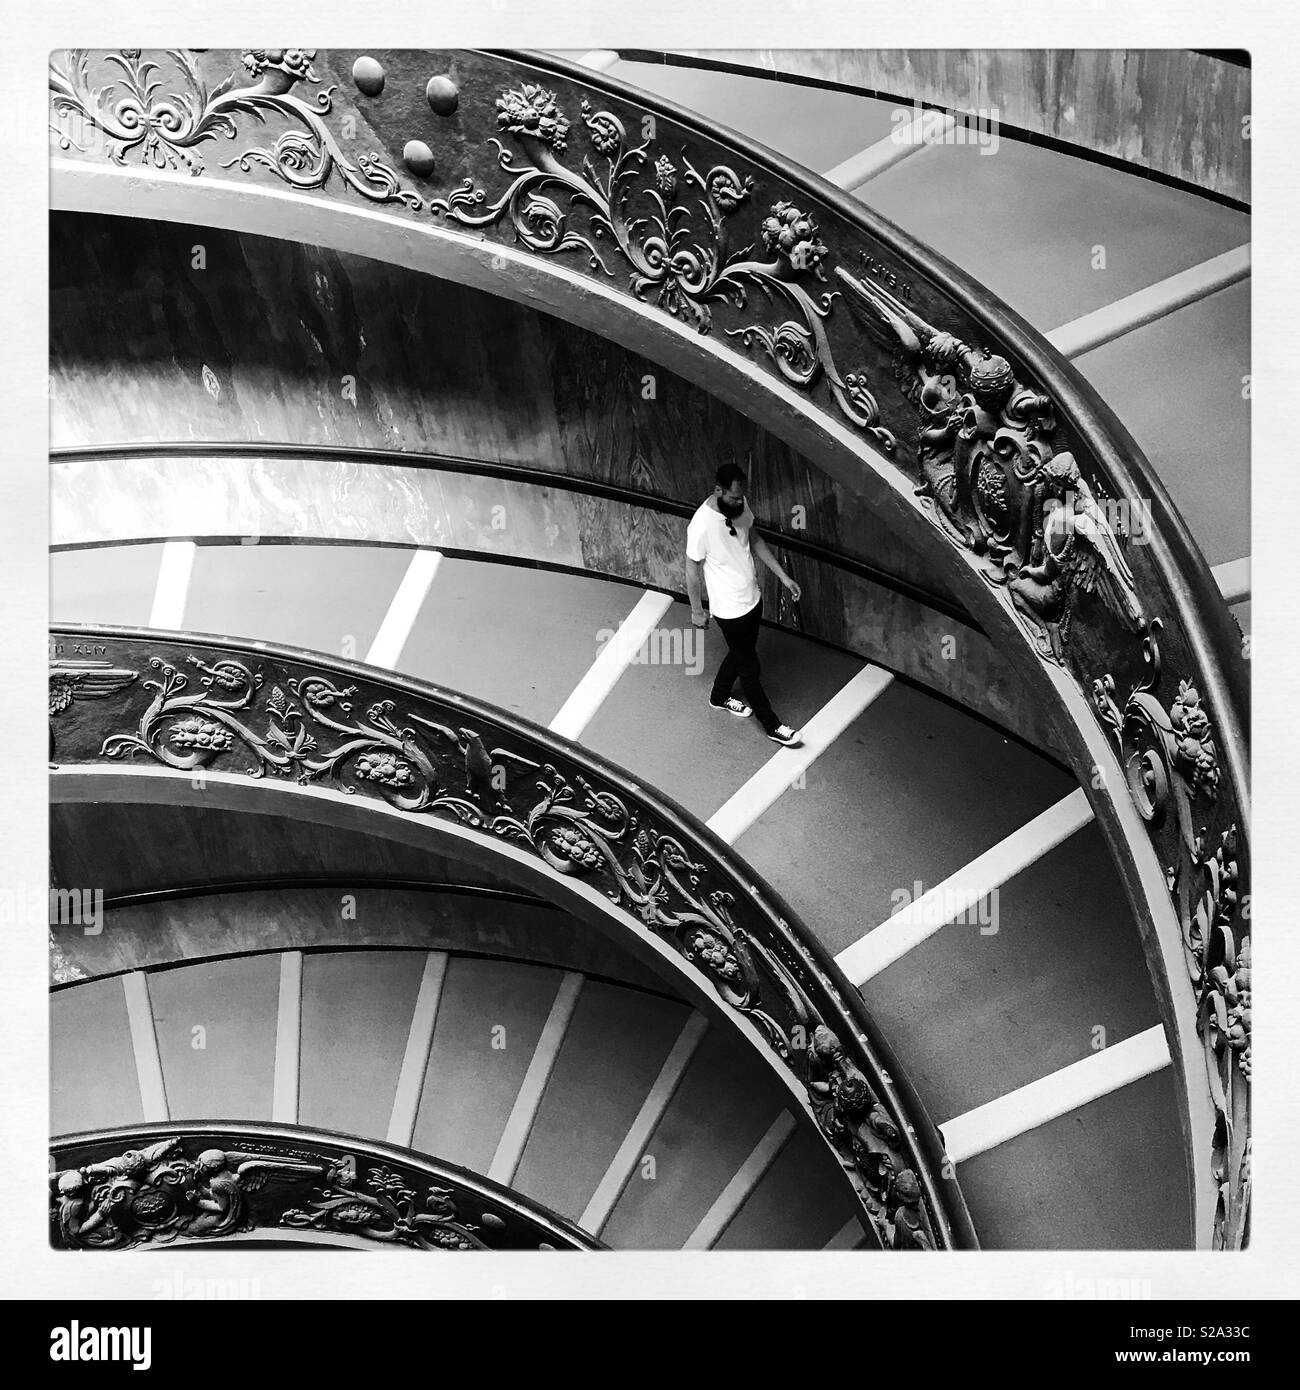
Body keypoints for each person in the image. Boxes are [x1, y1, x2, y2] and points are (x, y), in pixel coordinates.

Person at [685, 463, 803, 747]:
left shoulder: (739, 506)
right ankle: (772, 725)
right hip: (729, 609)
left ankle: (719, 695)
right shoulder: (701, 524)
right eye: (735, 498)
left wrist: (783, 577)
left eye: (742, 497)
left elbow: (754, 538)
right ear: (718, 491)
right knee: (750, 666)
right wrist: (696, 610)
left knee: (742, 654)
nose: (740, 502)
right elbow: (691, 569)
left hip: (752, 598)